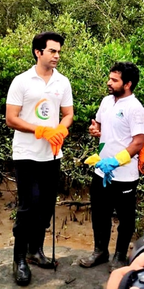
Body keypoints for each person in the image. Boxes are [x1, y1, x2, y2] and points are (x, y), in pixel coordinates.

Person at [5, 32, 73, 285]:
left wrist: (61, 128)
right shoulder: (22, 81)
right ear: (38, 52)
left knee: (45, 207)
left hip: (52, 154)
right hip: (26, 154)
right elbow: (11, 118)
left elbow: (68, 113)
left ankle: (36, 251)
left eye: (58, 52)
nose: (57, 56)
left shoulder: (62, 82)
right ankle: (19, 258)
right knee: (28, 206)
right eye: (52, 51)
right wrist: (39, 130)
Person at [79, 62, 144, 273]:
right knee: (99, 213)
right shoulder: (107, 101)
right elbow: (97, 123)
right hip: (101, 171)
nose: (109, 82)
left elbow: (138, 141)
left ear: (127, 84)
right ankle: (100, 251)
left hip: (125, 175)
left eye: (114, 80)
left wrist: (115, 161)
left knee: (125, 217)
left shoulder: (136, 108)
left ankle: (119, 256)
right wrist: (94, 129)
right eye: (110, 78)